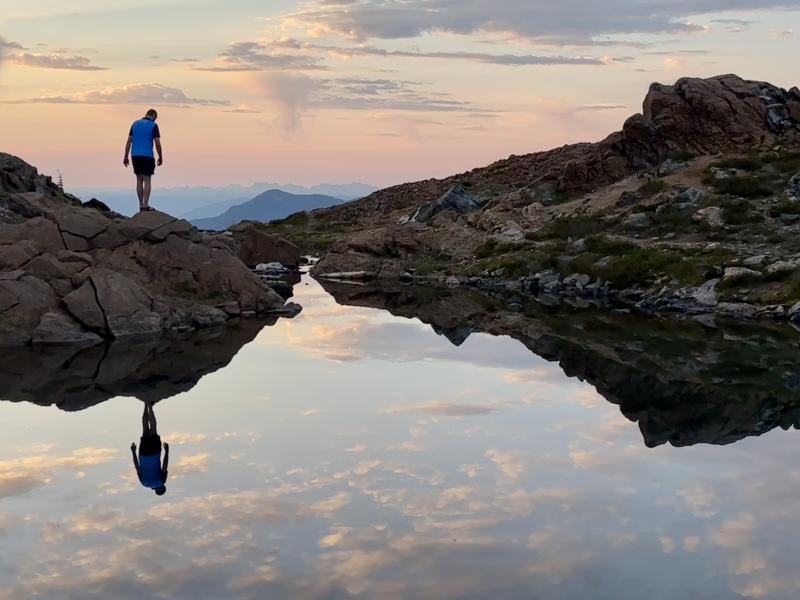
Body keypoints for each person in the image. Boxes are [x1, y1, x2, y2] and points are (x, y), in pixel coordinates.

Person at [123, 109, 163, 212]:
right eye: (155, 118)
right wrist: (160, 156)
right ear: (153, 116)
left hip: (135, 155)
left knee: (139, 180)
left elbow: (129, 141)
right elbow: (157, 143)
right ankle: (145, 205)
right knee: (147, 180)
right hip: (147, 156)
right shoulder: (153, 125)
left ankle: (141, 205)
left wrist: (126, 156)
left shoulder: (135, 124)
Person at [131, 402, 169, 496]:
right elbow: (137, 467)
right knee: (145, 429)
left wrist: (167, 452)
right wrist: (133, 452)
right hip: (143, 454)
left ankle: (150, 407)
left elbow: (164, 467)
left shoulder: (161, 482)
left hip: (154, 453)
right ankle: (145, 405)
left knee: (153, 429)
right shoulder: (144, 483)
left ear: (162, 488)